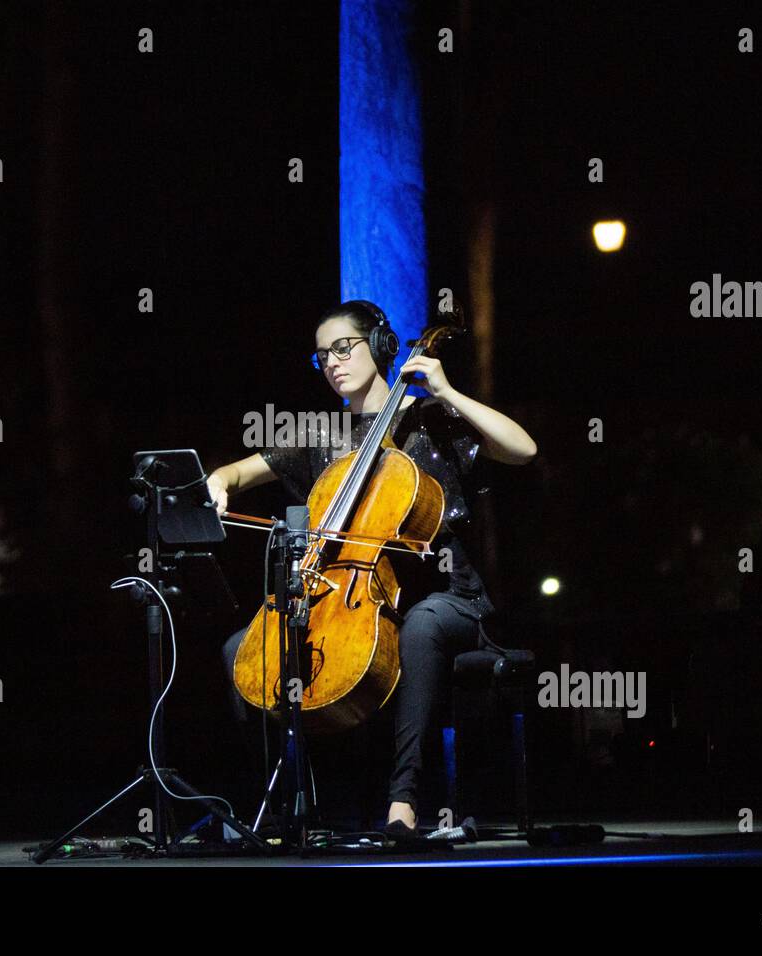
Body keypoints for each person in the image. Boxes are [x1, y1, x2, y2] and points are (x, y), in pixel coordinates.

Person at [208, 299, 536, 835]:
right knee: (241, 650)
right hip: (352, 597)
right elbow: (237, 473)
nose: (332, 362)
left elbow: (523, 449)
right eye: (322, 356)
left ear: (381, 347)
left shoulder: (433, 418)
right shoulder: (320, 435)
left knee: (422, 625)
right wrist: (219, 483)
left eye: (343, 347)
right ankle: (285, 805)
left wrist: (448, 391)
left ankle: (403, 802)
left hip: (446, 596)